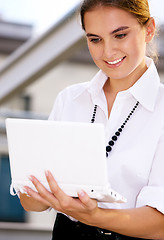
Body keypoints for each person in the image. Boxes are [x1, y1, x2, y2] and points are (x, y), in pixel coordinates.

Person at [20, 0, 164, 239]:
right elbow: (30, 203)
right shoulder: (69, 100)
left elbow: (160, 225)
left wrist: (91, 214)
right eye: (95, 39)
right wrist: (37, 189)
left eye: (120, 35)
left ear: (148, 29)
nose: (107, 52)